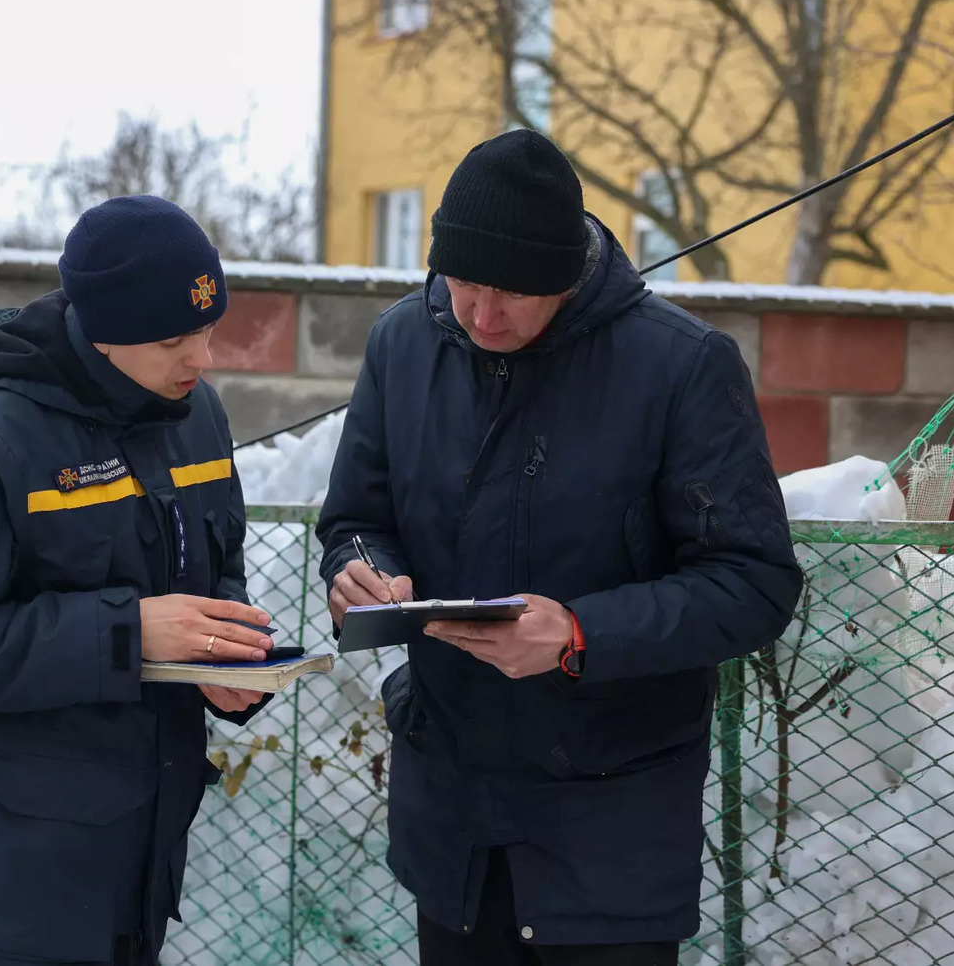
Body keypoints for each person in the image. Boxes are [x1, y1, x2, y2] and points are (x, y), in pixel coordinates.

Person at [316, 130, 803, 966]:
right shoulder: (404, 344)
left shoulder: (680, 367)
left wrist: (580, 634)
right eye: (463, 283)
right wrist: (361, 571)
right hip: (455, 816)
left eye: (510, 292)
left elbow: (753, 582)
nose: (481, 314)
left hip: (610, 829)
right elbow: (355, 516)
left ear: (566, 275)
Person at [0, 194, 277, 966]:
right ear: (103, 334)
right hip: (4, 898)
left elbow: (217, 568)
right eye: (173, 339)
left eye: (208, 329)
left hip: (140, 872)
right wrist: (129, 633)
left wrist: (222, 654)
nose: (203, 357)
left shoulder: (197, 417)